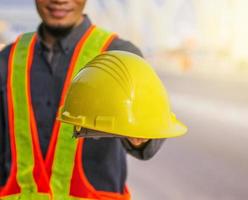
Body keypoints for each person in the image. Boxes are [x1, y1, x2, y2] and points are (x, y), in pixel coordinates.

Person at [0, 0, 165, 199]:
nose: (60, 0)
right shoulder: (6, 60)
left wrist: (142, 135)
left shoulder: (119, 56)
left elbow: (149, 143)